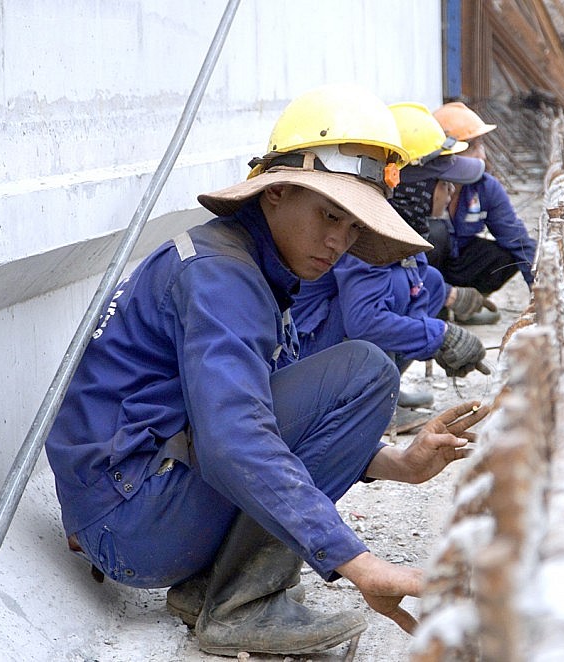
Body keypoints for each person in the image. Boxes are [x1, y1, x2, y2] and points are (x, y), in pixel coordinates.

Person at [43, 84, 489, 658]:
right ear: (276, 193)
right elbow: (235, 439)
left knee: (346, 378)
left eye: (353, 227)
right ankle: (241, 604)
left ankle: (212, 590)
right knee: (366, 371)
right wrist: (358, 562)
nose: (339, 241)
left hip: (123, 509)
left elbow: (260, 417)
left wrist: (394, 464)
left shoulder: (249, 265)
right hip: (130, 521)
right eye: (330, 214)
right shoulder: (220, 278)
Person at [293, 102, 493, 411]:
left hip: (328, 337)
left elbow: (418, 278)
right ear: (418, 189)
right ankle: (359, 404)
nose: (451, 192)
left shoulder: (398, 222)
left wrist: (446, 310)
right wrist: (439, 335)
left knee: (430, 283)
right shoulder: (364, 234)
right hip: (304, 353)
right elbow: (364, 320)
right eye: (444, 183)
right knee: (398, 291)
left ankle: (384, 389)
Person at [428, 101, 538, 323]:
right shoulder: (424, 187)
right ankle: (433, 309)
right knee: (434, 235)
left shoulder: (486, 187)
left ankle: (467, 304)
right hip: (428, 268)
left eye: (481, 145)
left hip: (459, 261)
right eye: (471, 147)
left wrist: (539, 291)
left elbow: (517, 239)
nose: (481, 155)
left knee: (505, 255)